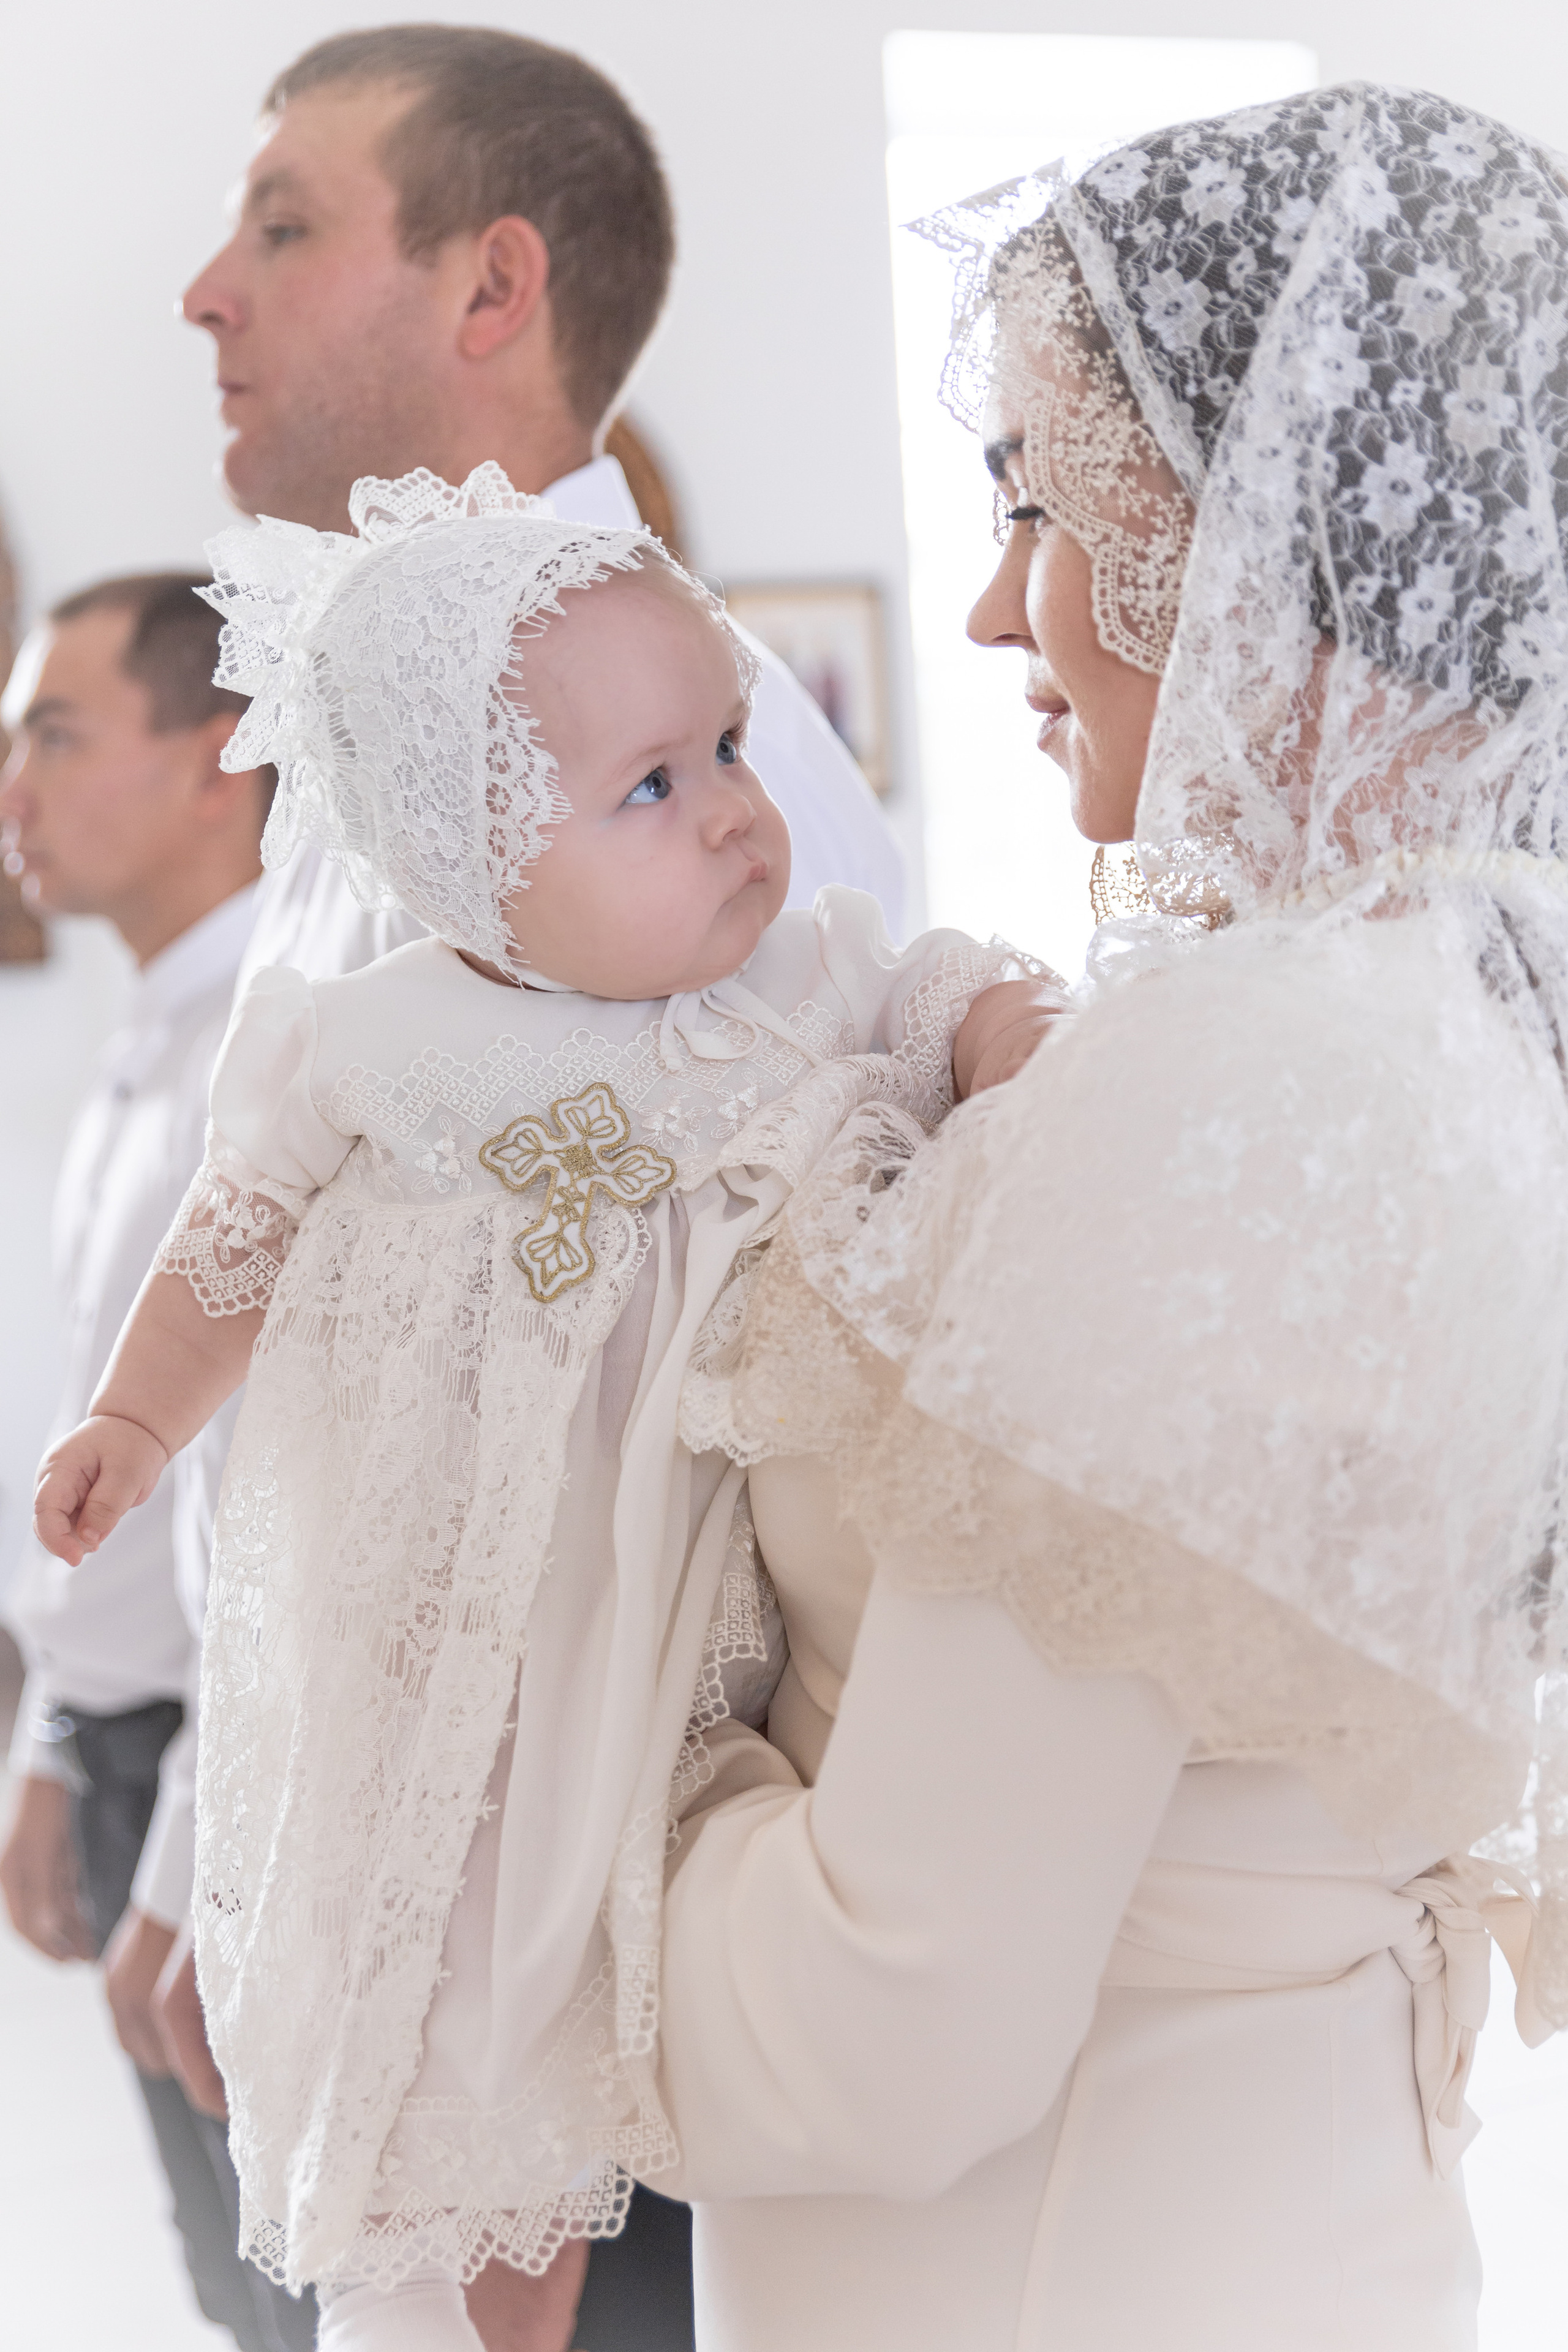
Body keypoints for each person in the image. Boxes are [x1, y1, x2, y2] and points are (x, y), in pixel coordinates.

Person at [636, 84, 1568, 2349]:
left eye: (1044, 504)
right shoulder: (1457, 1007)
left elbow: (892, 2025)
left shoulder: (1245, 1098)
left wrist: (531, 1826)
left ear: (1245, 530)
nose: (983, 602)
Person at [32, 469, 1055, 2352]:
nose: (741, 815)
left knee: (666, 2009)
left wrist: (1001, 1035)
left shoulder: (797, 982)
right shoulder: (371, 1041)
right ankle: (458, 2310)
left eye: (732, 743)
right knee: (453, 2016)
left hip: (696, 1646)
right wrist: (138, 1420)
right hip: (462, 1657)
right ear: (461, 853)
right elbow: (233, 1235)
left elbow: (941, 991)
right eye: (652, 788)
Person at [163, 45, 906, 2338]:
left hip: (584, 1966)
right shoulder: (394, 760)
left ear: (496, 283)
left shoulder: (728, 835)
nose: (205, 292)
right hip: (380, 1892)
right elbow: (331, 1348)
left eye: (285, 224)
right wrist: (241, 1847)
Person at [0, 573, 315, 2351]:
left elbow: (273, 1506)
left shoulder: (271, 1055)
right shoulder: (146, 1041)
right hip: (128, 1749)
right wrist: (57, 1729)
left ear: (221, 756)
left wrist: (189, 1856)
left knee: (298, 2296)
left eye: (53, 733)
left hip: (236, 1772)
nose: (10, 788)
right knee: (225, 2294)